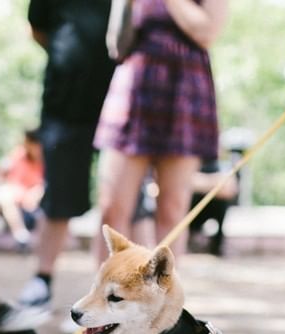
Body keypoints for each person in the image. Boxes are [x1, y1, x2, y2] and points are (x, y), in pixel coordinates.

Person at [92, 0, 228, 263]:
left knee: (172, 209)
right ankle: (104, 296)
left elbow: (207, 32)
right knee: (111, 208)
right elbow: (116, 45)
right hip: (134, 86)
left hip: (184, 90)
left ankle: (164, 301)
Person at [16, 0, 117, 308]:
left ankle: (111, 291)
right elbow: (37, 28)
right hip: (64, 106)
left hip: (118, 106)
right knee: (58, 196)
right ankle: (42, 279)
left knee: (119, 201)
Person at [0, 129, 45, 249]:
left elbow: (49, 182)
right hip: (19, 201)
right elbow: (11, 181)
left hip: (39, 202)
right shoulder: (19, 156)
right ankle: (21, 235)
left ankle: (44, 241)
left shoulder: (47, 158)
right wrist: (25, 196)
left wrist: (37, 191)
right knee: (4, 193)